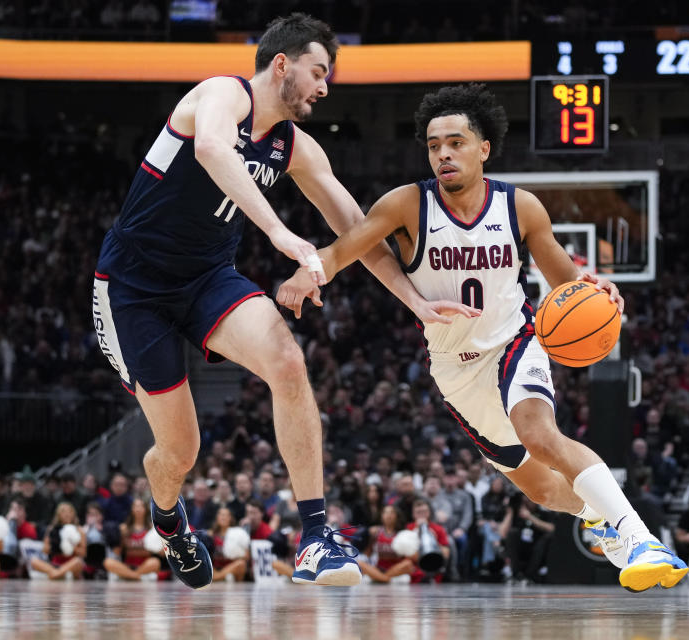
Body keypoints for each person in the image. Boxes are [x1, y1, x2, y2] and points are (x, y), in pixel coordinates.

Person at [90, 13, 472, 589]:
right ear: (281, 64)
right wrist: (278, 233)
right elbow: (215, 151)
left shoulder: (295, 146)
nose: (323, 87)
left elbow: (357, 228)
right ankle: (168, 519)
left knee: (288, 362)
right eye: (318, 72)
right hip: (132, 289)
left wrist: (415, 303)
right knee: (181, 449)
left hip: (207, 279)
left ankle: (316, 536)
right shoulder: (220, 94)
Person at [279, 83, 688, 592]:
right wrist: (309, 270)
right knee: (541, 489)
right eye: (433, 145)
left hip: (516, 343)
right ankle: (599, 516)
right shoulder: (407, 204)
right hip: (455, 368)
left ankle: (643, 539)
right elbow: (347, 248)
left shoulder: (521, 207)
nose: (443, 154)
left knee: (541, 435)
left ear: (483, 148)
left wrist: (594, 288)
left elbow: (565, 279)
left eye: (455, 142)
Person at [102, 498, 162, 581]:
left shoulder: (152, 528)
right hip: (127, 565)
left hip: (144, 565)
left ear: (145, 509)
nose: (138, 509)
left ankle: (128, 576)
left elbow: (161, 553)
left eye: (141, 506)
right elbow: (117, 551)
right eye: (136, 506)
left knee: (155, 562)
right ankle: (137, 577)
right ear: (132, 509)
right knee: (107, 562)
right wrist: (115, 540)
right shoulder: (124, 528)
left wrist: (158, 547)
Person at [30, 502, 87, 580]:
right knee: (34, 561)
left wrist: (70, 547)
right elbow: (45, 550)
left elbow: (83, 553)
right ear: (58, 515)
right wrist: (56, 545)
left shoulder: (79, 530)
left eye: (69, 511)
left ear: (73, 514)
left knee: (78, 562)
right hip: (55, 562)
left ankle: (55, 574)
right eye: (63, 511)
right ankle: (60, 574)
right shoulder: (52, 529)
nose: (67, 514)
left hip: (71, 563)